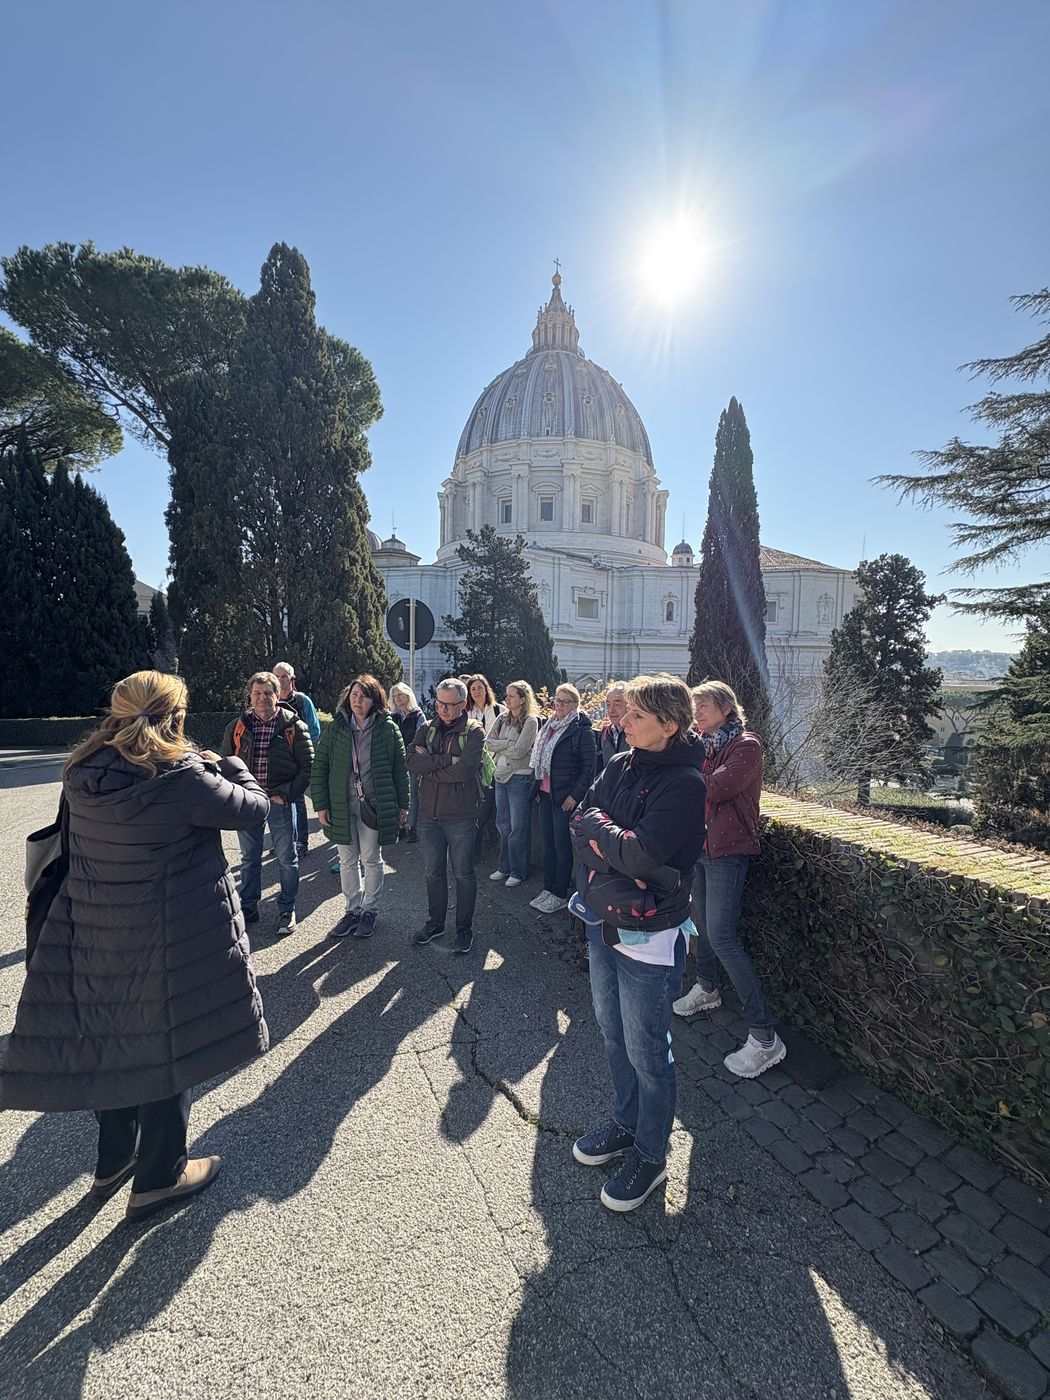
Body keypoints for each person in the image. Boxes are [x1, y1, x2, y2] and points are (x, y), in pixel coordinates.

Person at [0, 671, 269, 1222]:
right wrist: (233, 765)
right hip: (170, 933)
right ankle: (159, 1175)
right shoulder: (183, 776)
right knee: (169, 1044)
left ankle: (114, 1157)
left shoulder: (80, 772)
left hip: (95, 931)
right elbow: (254, 809)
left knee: (112, 1038)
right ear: (175, 716)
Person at [569, 674, 706, 1212]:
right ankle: (625, 1124)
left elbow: (642, 855)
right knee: (611, 1034)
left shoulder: (687, 784)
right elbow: (583, 824)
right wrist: (615, 846)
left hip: (649, 935)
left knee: (649, 1049)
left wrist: (611, 844)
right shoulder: (621, 763)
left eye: (636, 717)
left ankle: (652, 1152)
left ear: (669, 726)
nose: (622, 720)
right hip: (603, 918)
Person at [672, 681, 785, 1078]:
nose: (697, 713)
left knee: (722, 936)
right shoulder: (704, 745)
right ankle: (707, 988)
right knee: (701, 924)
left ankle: (765, 1038)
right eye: (694, 706)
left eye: (703, 706)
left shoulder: (746, 745)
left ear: (725, 708)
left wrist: (681, 777)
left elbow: (715, 787)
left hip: (728, 851)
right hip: (702, 847)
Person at [311, 674, 408, 941]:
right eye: (354, 695)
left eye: (364, 696)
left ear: (374, 700)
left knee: (372, 860)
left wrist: (403, 805)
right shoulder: (337, 727)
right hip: (342, 805)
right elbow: (320, 767)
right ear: (347, 698)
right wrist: (321, 805)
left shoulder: (388, 729)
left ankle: (369, 911)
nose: (358, 700)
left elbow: (400, 770)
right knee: (347, 860)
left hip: (373, 806)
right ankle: (352, 910)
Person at [221, 670, 314, 935]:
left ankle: (286, 909)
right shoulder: (237, 727)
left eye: (268, 693)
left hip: (279, 804)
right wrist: (235, 795)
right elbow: (224, 765)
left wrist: (285, 794)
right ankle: (248, 907)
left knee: (287, 858)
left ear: (278, 694)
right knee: (250, 859)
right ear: (249, 697)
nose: (262, 698)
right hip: (248, 804)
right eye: (257, 693)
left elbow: (307, 768)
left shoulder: (293, 726)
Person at [406, 677, 483, 953]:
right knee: (432, 873)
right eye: (439, 703)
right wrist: (445, 761)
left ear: (463, 704)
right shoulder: (426, 728)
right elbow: (412, 763)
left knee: (463, 874)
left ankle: (464, 930)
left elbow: (465, 771)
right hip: (429, 816)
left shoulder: (474, 731)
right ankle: (435, 923)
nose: (444, 710)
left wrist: (430, 764)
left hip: (461, 816)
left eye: (450, 705)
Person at [529, 683, 596, 914]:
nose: (558, 705)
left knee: (561, 846)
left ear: (575, 705)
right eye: (556, 700)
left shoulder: (581, 730)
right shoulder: (549, 726)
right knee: (548, 845)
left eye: (564, 701)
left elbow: (589, 768)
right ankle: (548, 888)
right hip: (546, 794)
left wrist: (574, 796)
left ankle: (559, 892)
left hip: (564, 797)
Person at [488, 680, 539, 887]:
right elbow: (487, 742)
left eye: (511, 695)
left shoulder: (530, 721)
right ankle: (504, 866)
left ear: (522, 699)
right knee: (503, 824)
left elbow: (521, 751)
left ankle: (519, 870)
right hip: (500, 775)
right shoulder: (501, 718)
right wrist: (509, 744)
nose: (506, 699)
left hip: (520, 777)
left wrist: (502, 747)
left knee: (518, 826)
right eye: (507, 695)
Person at [273, 661, 322, 859]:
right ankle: (285, 840)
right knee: (280, 801)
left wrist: (299, 748)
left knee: (299, 800)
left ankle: (301, 841)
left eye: (284, 676)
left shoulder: (303, 701)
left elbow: (315, 730)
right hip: (277, 761)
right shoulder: (270, 701)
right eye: (277, 676)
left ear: (292, 680)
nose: (280, 680)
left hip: (298, 759)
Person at [467, 674, 504, 857]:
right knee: (477, 811)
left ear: (486, 689)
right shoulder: (467, 713)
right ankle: (474, 850)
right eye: (473, 689)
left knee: (491, 809)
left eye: (479, 688)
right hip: (475, 768)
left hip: (496, 766)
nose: (476, 692)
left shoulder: (499, 711)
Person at [390, 682, 427, 841]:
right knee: (395, 794)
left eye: (400, 694)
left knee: (412, 795)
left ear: (408, 695)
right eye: (394, 695)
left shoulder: (418, 715)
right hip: (395, 761)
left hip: (412, 761)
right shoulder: (392, 716)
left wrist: (408, 753)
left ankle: (412, 827)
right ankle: (399, 826)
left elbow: (419, 739)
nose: (397, 697)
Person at [595, 682, 630, 773]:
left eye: (617, 704)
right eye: (608, 704)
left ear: (629, 706)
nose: (611, 710)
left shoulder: (638, 734)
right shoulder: (605, 733)